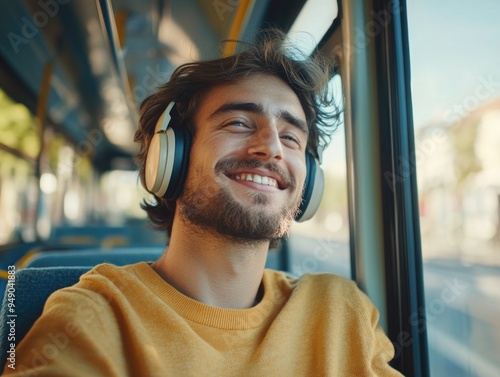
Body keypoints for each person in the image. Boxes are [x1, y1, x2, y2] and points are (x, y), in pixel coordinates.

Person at [4, 30, 403, 376]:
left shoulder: (343, 311)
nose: (271, 149)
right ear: (170, 158)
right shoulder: (94, 317)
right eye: (239, 123)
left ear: (308, 181)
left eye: (292, 137)